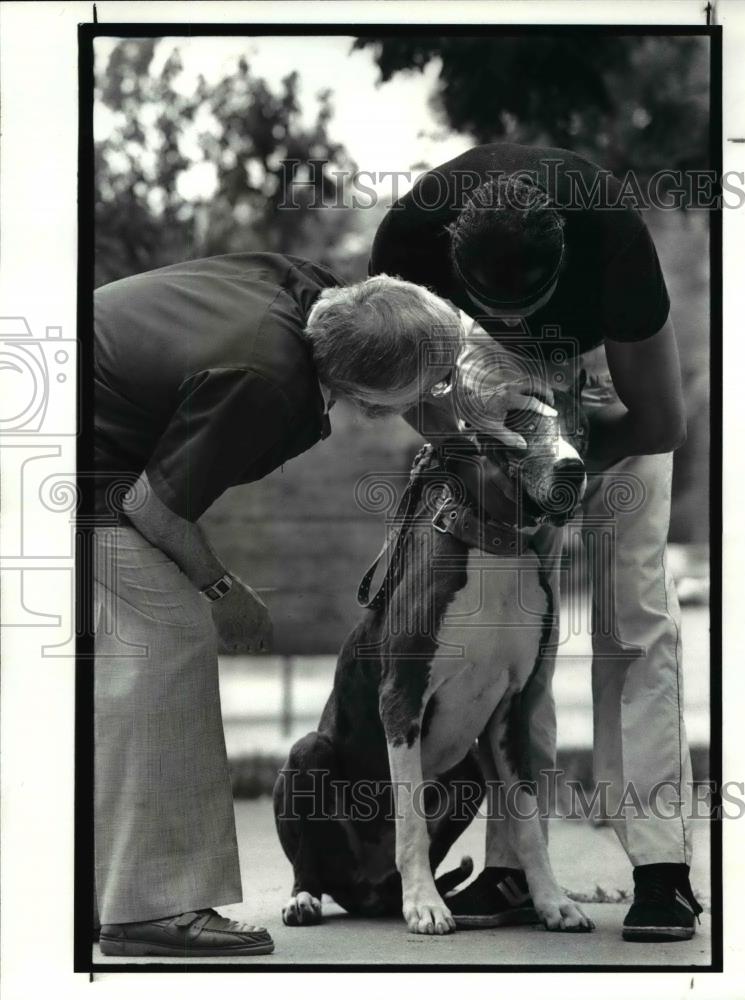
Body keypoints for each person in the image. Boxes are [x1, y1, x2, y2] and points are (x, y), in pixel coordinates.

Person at [369, 144, 703, 942]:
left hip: (602, 389)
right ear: (449, 260)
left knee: (633, 612)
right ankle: (516, 868)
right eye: (494, 305)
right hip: (481, 395)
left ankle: (660, 869)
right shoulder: (407, 246)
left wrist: (563, 465)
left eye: (531, 304)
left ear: (565, 264)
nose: (515, 323)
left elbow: (659, 422)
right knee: (510, 638)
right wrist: (474, 454)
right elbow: (407, 391)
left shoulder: (614, 243)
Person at [92, 253, 463, 957]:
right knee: (167, 637)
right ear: (374, 389)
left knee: (112, 670)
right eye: (430, 379)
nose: (439, 391)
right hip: (58, 461)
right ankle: (152, 910)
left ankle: (102, 889)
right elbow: (153, 510)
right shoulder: (266, 378)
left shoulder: (316, 296)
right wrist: (225, 592)